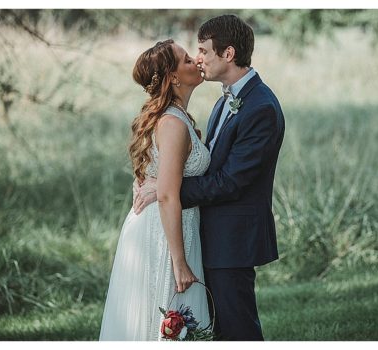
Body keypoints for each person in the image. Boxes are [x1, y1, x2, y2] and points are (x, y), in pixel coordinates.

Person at [133, 14, 285, 341]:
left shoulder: (260, 107)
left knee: (238, 331)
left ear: (227, 54)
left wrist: (167, 187)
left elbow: (231, 181)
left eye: (202, 50)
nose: (198, 58)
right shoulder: (223, 102)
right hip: (209, 237)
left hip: (233, 240)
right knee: (213, 332)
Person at [100, 39, 209, 340]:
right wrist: (179, 261)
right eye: (187, 59)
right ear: (173, 77)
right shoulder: (172, 123)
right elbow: (166, 194)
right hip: (164, 235)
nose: (196, 61)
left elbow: (166, 183)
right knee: (165, 319)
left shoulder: (179, 118)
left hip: (171, 225)